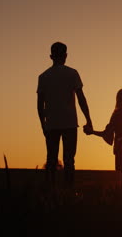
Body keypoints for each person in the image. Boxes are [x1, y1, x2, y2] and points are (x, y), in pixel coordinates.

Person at [37, 42, 92, 188]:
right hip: (69, 124)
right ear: (66, 56)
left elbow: (39, 105)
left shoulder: (43, 77)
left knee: (51, 159)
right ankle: (68, 192)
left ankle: (51, 191)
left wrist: (43, 124)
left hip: (52, 124)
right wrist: (88, 119)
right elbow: (81, 98)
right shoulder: (72, 74)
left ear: (51, 56)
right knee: (69, 160)